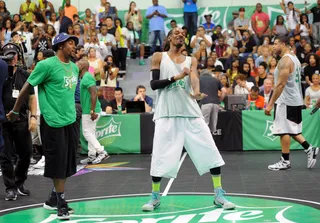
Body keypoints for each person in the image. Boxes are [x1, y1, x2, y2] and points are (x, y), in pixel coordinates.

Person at [142, 27, 235, 212]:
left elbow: (193, 78)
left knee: (211, 152)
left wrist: (196, 91)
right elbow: (154, 85)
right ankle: (154, 196)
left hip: (191, 114)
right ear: (169, 37)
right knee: (160, 157)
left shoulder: (191, 60)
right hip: (166, 114)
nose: (180, 35)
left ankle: (219, 194)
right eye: (176, 33)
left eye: (183, 34)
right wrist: (177, 76)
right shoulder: (159, 57)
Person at [7, 33, 79, 220]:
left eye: (74, 43)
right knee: (57, 164)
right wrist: (15, 111)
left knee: (68, 164)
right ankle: (61, 202)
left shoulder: (74, 68)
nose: (74, 46)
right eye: (70, 43)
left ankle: (53, 198)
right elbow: (27, 88)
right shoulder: (46, 65)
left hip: (70, 121)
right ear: (60, 46)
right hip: (52, 122)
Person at [265, 36, 319, 171]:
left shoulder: (285, 61)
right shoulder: (294, 58)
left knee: (283, 131)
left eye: (276, 44)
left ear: (284, 44)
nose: (273, 46)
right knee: (291, 129)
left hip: (285, 101)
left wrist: (271, 103)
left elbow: (281, 84)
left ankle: (285, 161)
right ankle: (309, 148)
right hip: (294, 100)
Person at [0, 43, 36, 201]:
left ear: (18, 56)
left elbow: (32, 97)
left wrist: (33, 117)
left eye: (13, 54)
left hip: (21, 120)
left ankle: (19, 182)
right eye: (7, 55)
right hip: (3, 121)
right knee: (5, 155)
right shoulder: (1, 74)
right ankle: (10, 187)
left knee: (27, 152)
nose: (11, 58)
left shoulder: (25, 75)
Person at [78, 59, 109, 165]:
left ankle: (101, 152)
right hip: (90, 109)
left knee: (86, 132)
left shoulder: (87, 77)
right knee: (91, 132)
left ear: (82, 66)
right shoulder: (85, 77)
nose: (76, 66)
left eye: (78, 64)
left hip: (90, 110)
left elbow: (94, 94)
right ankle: (92, 155)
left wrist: (92, 110)